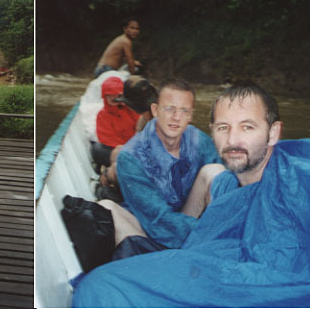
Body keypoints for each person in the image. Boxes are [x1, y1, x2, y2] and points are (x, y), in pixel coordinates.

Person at [73, 81, 310, 307]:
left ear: (273, 133)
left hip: (220, 261)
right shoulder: (132, 158)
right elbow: (161, 223)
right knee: (100, 279)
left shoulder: (296, 178)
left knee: (99, 287)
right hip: (179, 236)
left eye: (247, 127)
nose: (233, 140)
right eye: (223, 127)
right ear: (154, 111)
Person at [97, 78, 220, 256]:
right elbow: (158, 220)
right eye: (169, 109)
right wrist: (212, 232)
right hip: (151, 227)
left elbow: (228, 186)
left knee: (216, 172)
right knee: (106, 208)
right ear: (155, 110)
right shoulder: (130, 157)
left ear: (190, 116)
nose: (176, 117)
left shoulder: (199, 140)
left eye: (184, 110)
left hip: (187, 220)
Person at [91, 76, 141, 167]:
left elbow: (142, 127)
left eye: (117, 95)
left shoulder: (131, 109)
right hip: (117, 150)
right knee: (97, 149)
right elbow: (107, 139)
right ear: (104, 96)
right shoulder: (102, 115)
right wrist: (125, 148)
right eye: (109, 95)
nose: (113, 98)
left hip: (135, 148)